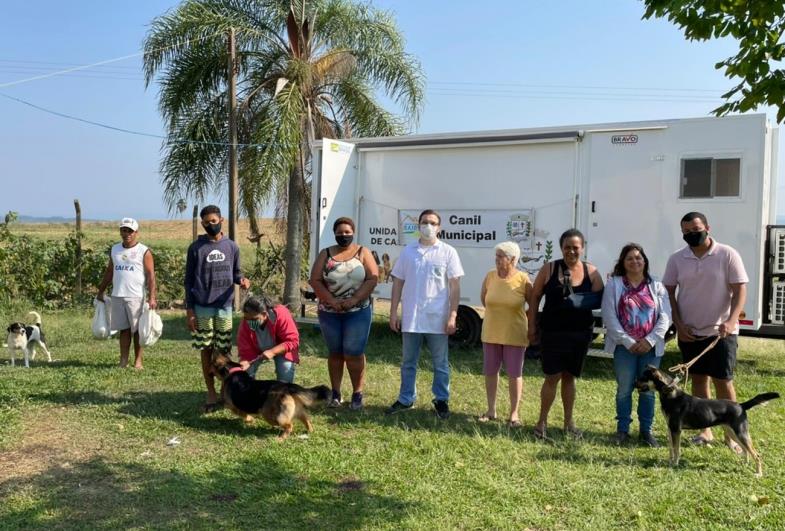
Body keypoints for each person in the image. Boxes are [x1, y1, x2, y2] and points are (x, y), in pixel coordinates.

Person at [662, 211, 748, 450]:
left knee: (724, 381)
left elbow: (740, 289)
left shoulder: (727, 254)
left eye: (696, 229)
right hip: (690, 332)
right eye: (687, 232)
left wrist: (731, 321)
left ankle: (732, 434)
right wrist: (678, 324)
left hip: (721, 333)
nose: (692, 234)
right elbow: (670, 291)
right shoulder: (677, 259)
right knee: (699, 381)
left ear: (707, 227)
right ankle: (706, 431)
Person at [386, 209, 464, 419]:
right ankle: (405, 398)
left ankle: (441, 400)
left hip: (438, 317)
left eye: (432, 222)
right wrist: (393, 312)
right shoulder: (408, 251)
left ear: (439, 227)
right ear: (418, 225)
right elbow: (398, 283)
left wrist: (453, 315)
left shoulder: (448, 252)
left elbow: (455, 287)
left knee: (440, 364)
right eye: (424, 222)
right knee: (408, 362)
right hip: (411, 317)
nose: (428, 226)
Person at [527, 229, 603, 440]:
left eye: (575, 247)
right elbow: (534, 297)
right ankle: (541, 422)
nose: (571, 251)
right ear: (561, 248)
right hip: (552, 332)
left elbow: (602, 298)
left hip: (580, 334)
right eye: (567, 247)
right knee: (552, 376)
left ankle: (569, 422)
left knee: (570, 377)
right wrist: (531, 326)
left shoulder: (592, 271)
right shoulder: (549, 268)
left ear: (582, 248)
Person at [602, 243, 671, 447]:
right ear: (623, 263)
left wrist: (650, 340)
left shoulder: (656, 284)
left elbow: (666, 316)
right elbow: (609, 316)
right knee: (624, 389)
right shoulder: (614, 285)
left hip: (650, 348)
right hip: (624, 348)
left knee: (648, 390)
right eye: (630, 258)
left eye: (638, 258)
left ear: (645, 261)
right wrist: (628, 341)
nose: (635, 261)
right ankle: (622, 430)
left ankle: (646, 431)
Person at [185, 205, 251, 413]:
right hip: (202, 306)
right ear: (202, 224)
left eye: (213, 221)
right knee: (206, 350)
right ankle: (211, 391)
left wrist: (242, 280)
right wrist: (190, 310)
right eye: (206, 222)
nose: (210, 225)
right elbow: (188, 281)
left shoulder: (231, 246)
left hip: (225, 307)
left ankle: (226, 390)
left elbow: (236, 273)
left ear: (221, 220)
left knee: (223, 350)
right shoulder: (196, 248)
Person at [309, 217, 378, 410]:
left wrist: (354, 299)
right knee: (336, 353)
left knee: (354, 353)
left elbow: (373, 279)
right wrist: (331, 301)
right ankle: (336, 393)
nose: (343, 235)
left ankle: (357, 394)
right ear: (334, 233)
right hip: (329, 313)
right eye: (340, 232)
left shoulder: (362, 252)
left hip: (357, 311)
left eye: (347, 232)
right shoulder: (326, 253)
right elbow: (314, 280)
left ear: (353, 232)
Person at [478, 241, 531, 427]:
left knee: (514, 373)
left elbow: (532, 305)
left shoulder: (523, 279)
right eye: (497, 256)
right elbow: (484, 299)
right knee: (490, 371)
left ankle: (514, 414)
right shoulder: (490, 276)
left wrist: (531, 328)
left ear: (513, 259)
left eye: (501, 256)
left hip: (515, 334)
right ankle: (491, 410)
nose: (497, 259)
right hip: (491, 331)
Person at [97, 217, 156, 369]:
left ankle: (138, 361)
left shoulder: (144, 251)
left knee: (137, 330)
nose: (127, 233)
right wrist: (101, 290)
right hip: (118, 295)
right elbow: (110, 271)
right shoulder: (115, 249)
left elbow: (150, 276)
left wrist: (152, 297)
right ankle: (123, 360)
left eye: (130, 231)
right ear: (120, 232)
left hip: (136, 296)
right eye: (124, 230)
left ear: (136, 232)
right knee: (124, 330)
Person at [237, 294, 300, 382]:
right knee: (246, 372)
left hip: (282, 348)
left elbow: (293, 341)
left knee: (285, 370)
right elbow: (245, 349)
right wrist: (245, 360)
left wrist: (273, 351)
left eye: (254, 319)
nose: (250, 322)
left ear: (264, 314)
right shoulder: (246, 322)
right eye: (247, 319)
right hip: (256, 350)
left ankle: (283, 394)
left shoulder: (281, 314)